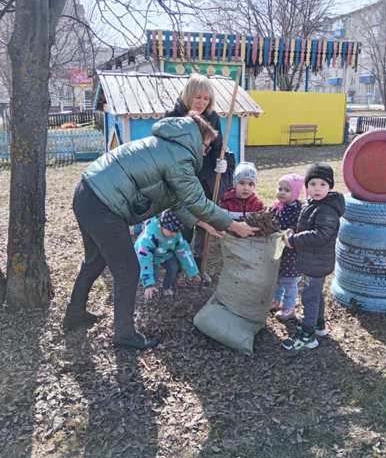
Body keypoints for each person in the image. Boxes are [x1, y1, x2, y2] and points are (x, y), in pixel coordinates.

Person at [63, 113, 258, 350]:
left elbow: (179, 203)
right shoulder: (179, 156)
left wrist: (210, 225)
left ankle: (74, 314)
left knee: (94, 260)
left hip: (87, 193)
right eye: (206, 145)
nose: (206, 152)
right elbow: (197, 200)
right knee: (128, 270)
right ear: (196, 138)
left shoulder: (166, 146)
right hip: (105, 204)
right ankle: (124, 334)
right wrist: (233, 224)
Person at [164, 73, 229, 265]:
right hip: (181, 178)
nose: (202, 103)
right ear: (188, 95)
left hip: (206, 178)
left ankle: (199, 260)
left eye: (206, 99)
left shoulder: (213, 117)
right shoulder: (173, 116)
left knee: (204, 220)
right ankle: (178, 262)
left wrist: (221, 161)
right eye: (198, 97)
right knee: (184, 221)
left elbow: (218, 145)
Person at [282, 164, 345, 352]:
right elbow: (307, 228)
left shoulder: (326, 210)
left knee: (309, 297)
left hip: (314, 264)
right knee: (315, 294)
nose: (317, 188)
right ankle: (318, 325)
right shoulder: (313, 205)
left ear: (330, 187)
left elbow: (320, 235)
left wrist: (293, 240)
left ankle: (308, 336)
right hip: (313, 260)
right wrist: (294, 231)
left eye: (323, 184)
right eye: (313, 183)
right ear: (307, 186)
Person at [135, 210, 200, 299]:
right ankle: (151, 289)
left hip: (165, 253)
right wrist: (148, 284)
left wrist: (193, 272)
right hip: (149, 256)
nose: (174, 234)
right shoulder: (148, 237)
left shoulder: (176, 235)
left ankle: (166, 286)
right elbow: (144, 260)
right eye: (171, 230)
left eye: (177, 231)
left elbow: (184, 252)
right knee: (154, 274)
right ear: (162, 225)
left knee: (174, 268)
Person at [270, 174, 304, 321]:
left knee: (289, 283)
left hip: (292, 254)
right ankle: (276, 301)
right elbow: (268, 218)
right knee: (277, 279)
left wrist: (290, 232)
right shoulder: (277, 207)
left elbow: (300, 228)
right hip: (279, 252)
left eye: (287, 190)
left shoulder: (299, 210)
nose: (282, 192)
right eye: (280, 188)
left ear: (295, 193)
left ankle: (289, 309)